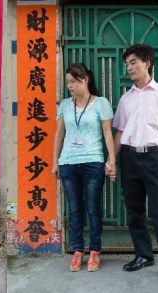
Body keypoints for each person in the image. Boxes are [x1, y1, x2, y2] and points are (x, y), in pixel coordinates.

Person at [112, 44, 158, 287]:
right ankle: (143, 255)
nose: (129, 67)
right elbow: (120, 131)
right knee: (134, 211)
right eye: (127, 64)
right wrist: (112, 160)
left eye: (133, 62)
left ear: (147, 63)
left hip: (154, 158)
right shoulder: (126, 98)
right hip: (130, 159)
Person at [52, 63, 116, 272]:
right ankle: (78, 251)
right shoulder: (64, 105)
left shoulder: (101, 103)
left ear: (85, 80)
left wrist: (111, 160)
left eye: (74, 81)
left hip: (93, 161)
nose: (70, 85)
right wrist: (55, 161)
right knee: (75, 209)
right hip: (69, 162)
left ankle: (95, 251)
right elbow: (59, 134)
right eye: (68, 82)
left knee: (93, 208)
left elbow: (108, 133)